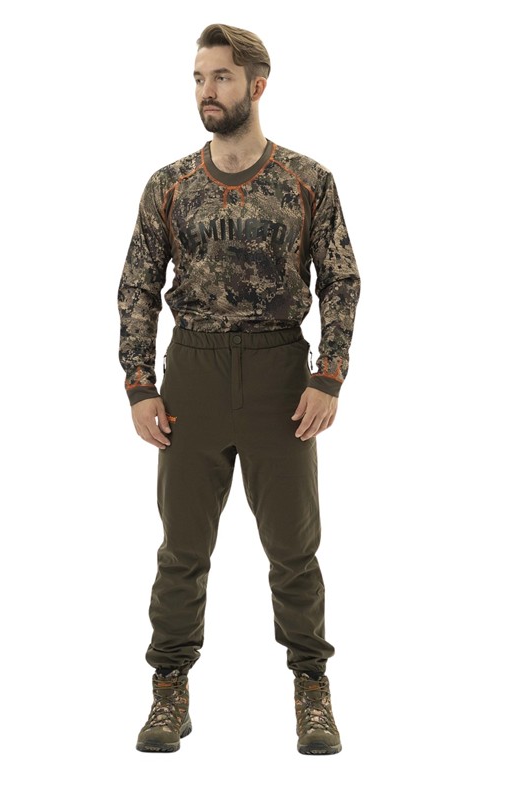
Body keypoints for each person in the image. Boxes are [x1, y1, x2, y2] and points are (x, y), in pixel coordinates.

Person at [118, 23, 360, 755]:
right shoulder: (169, 186)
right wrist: (140, 384)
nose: (206, 91)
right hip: (191, 374)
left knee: (294, 548)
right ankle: (169, 688)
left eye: (220, 77)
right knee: (182, 549)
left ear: (257, 84)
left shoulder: (308, 181)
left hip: (279, 377)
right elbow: (137, 286)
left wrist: (328, 375)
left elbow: (340, 279)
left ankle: (312, 687)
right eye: (199, 78)